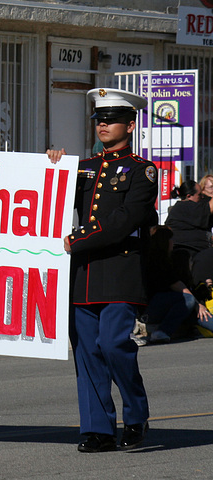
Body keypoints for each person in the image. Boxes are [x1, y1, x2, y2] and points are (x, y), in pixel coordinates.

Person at [47, 87, 158, 453]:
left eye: (111, 120)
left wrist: (77, 240)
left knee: (113, 346)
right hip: (83, 276)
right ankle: (97, 429)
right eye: (100, 120)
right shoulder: (82, 168)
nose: (104, 125)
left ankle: (137, 415)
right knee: (87, 353)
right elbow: (47, 198)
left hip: (120, 273)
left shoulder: (143, 171)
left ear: (130, 124)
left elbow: (124, 220)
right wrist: (53, 166)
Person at [140, 225, 212, 344]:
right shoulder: (158, 263)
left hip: (167, 307)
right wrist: (198, 305)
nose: (173, 243)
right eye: (171, 240)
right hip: (152, 308)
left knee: (198, 314)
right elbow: (179, 287)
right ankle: (162, 332)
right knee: (188, 300)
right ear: (165, 242)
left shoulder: (164, 260)